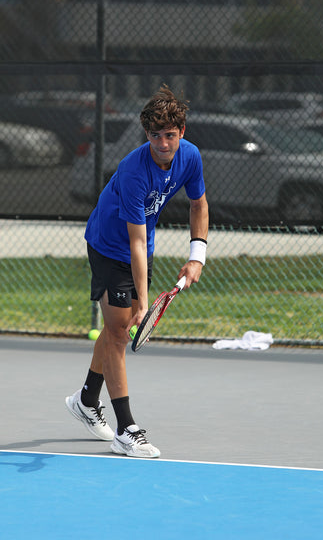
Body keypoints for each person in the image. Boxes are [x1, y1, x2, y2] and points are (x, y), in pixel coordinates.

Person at [65, 85, 209, 458]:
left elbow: (199, 205)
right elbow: (133, 243)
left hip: (140, 245)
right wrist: (145, 301)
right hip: (108, 245)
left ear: (182, 134)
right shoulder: (133, 171)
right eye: (155, 136)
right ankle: (126, 429)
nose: (163, 143)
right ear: (147, 135)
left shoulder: (190, 157)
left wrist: (197, 255)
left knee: (119, 327)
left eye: (170, 135)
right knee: (117, 332)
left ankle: (85, 400)